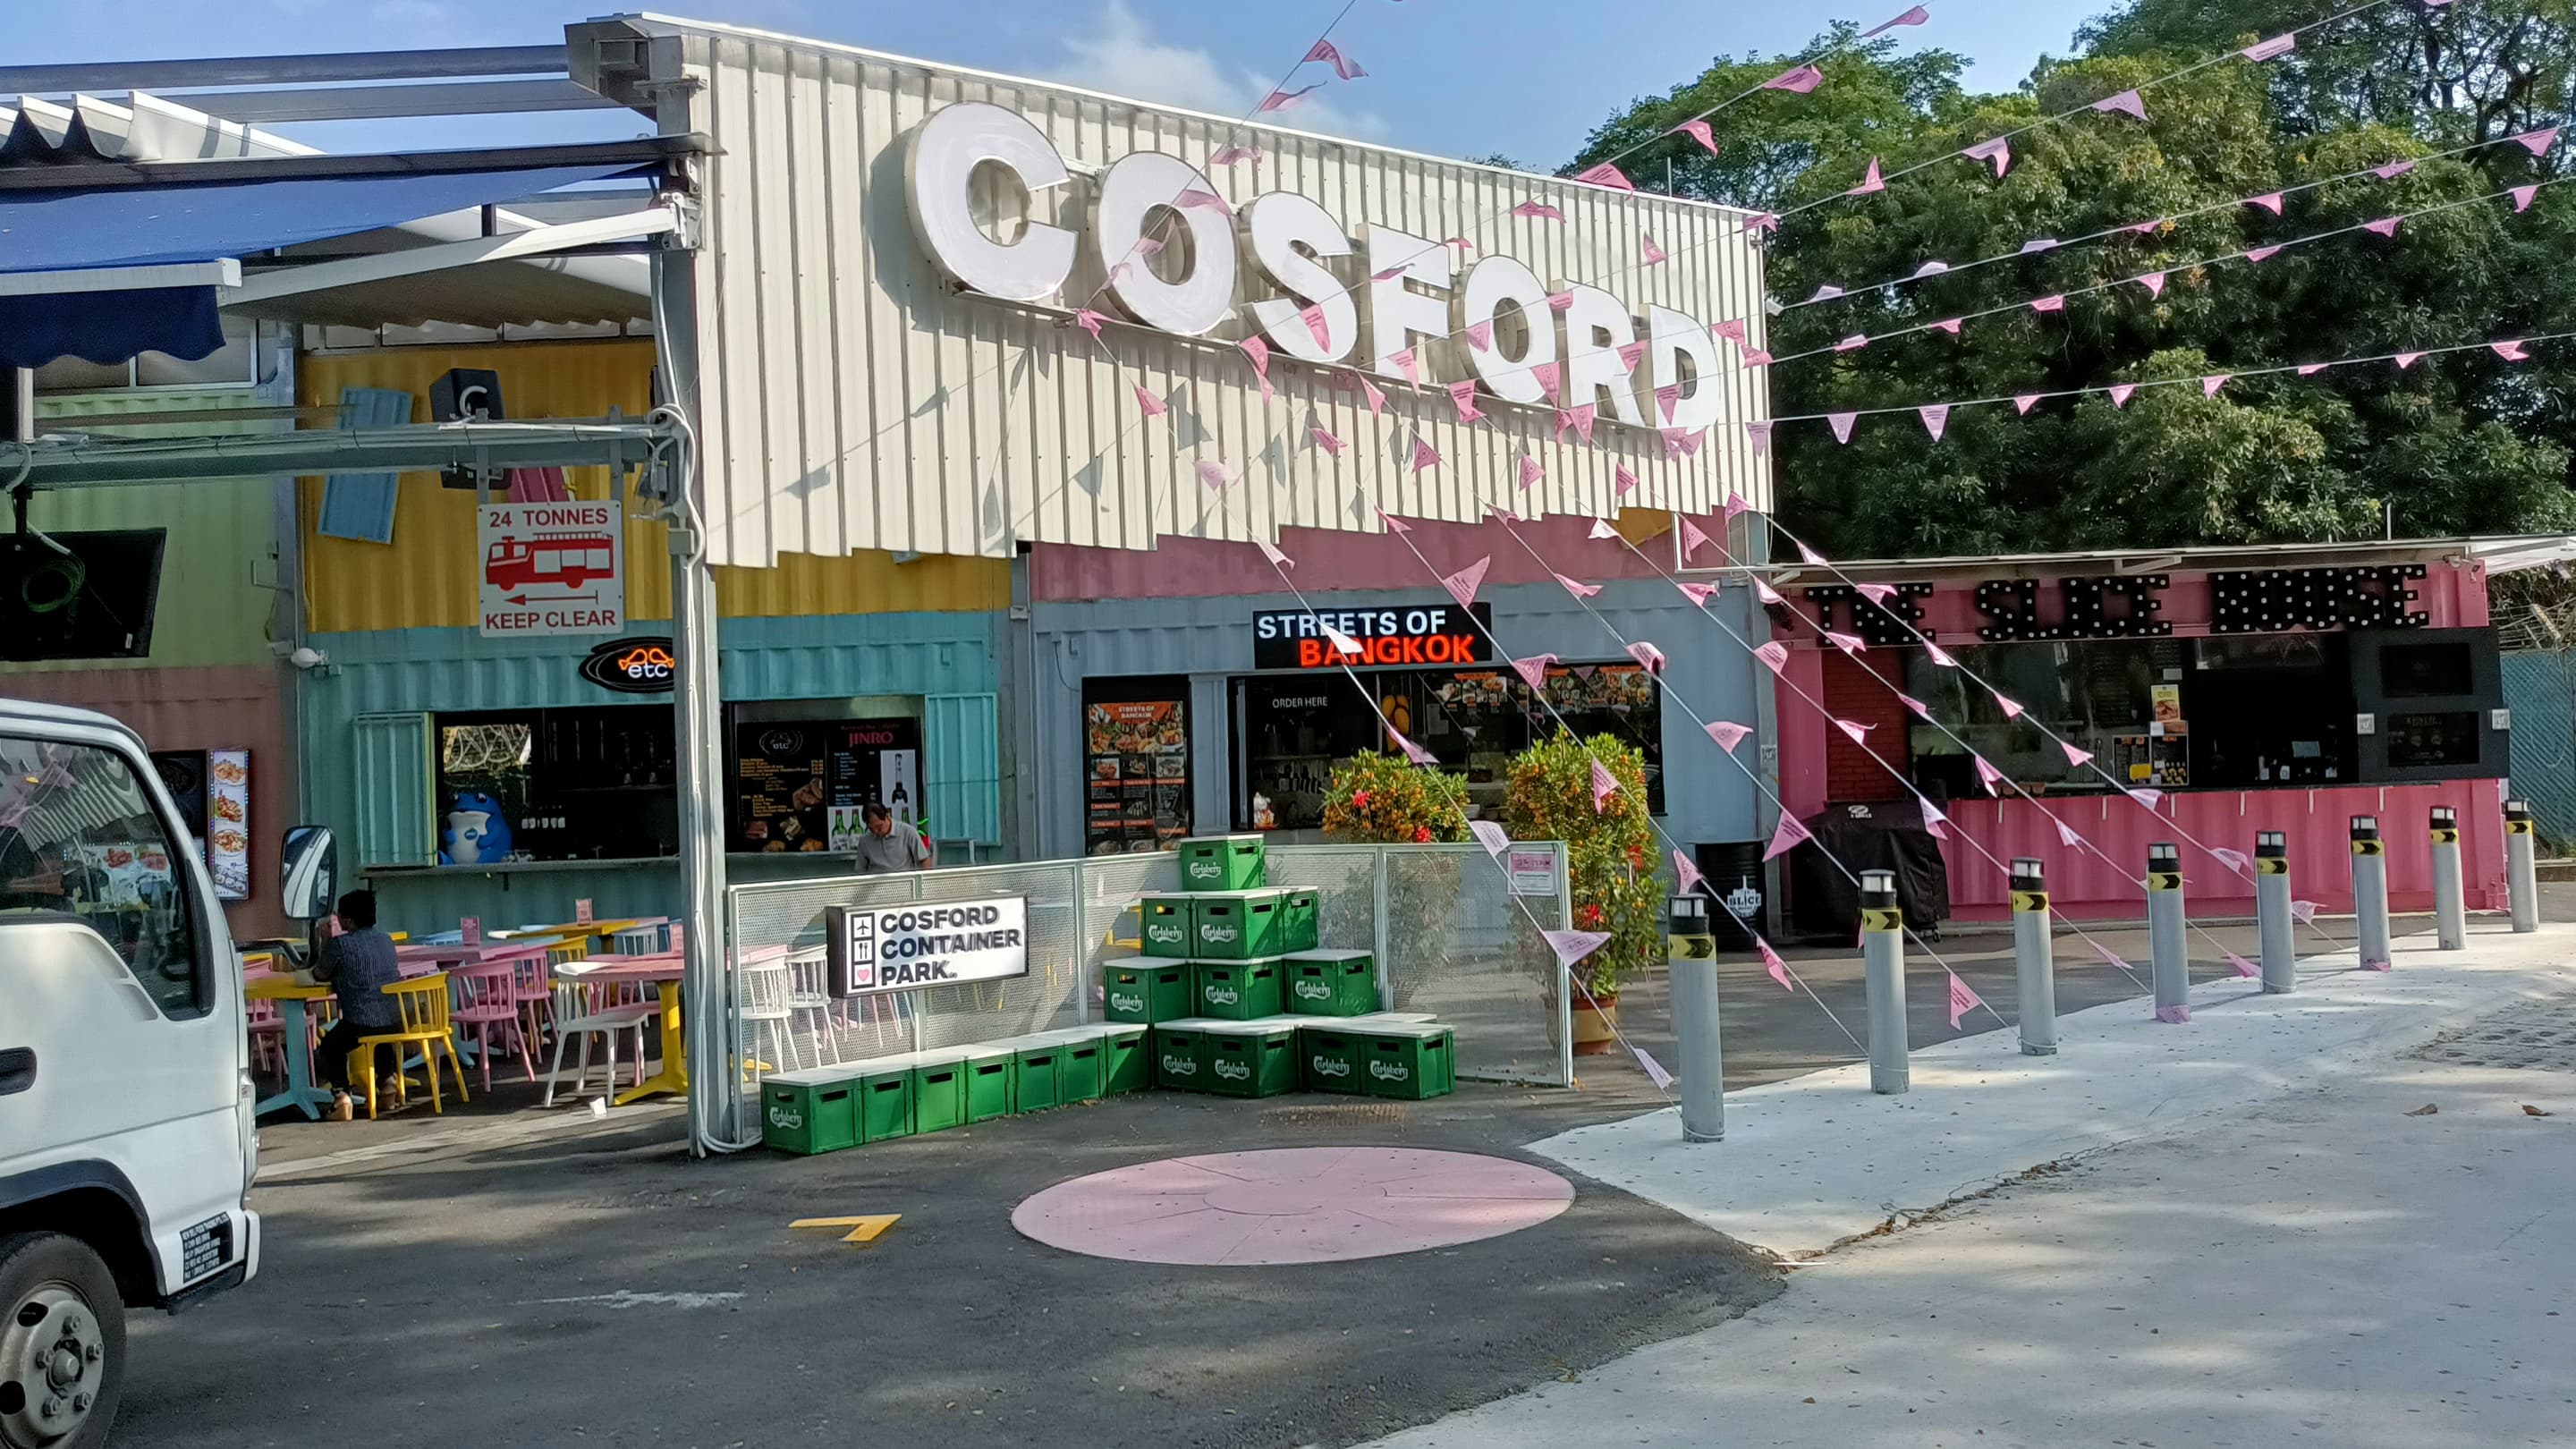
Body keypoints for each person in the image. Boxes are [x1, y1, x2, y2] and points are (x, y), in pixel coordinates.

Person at [309, 888, 404, 1122]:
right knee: (381, 1034)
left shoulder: (340, 945)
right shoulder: (386, 940)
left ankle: (341, 1096)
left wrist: (324, 941)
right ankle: (388, 1083)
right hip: (394, 1020)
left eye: (339, 916)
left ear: (347, 920)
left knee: (331, 1047)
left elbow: (320, 973)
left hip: (359, 1021)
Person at [853, 802, 932, 875]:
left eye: (879, 826)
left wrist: (923, 884)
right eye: (871, 828)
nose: (876, 831)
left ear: (887, 816)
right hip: (876, 886)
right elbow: (860, 870)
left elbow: (924, 860)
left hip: (905, 884)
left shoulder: (908, 832)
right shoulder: (865, 840)